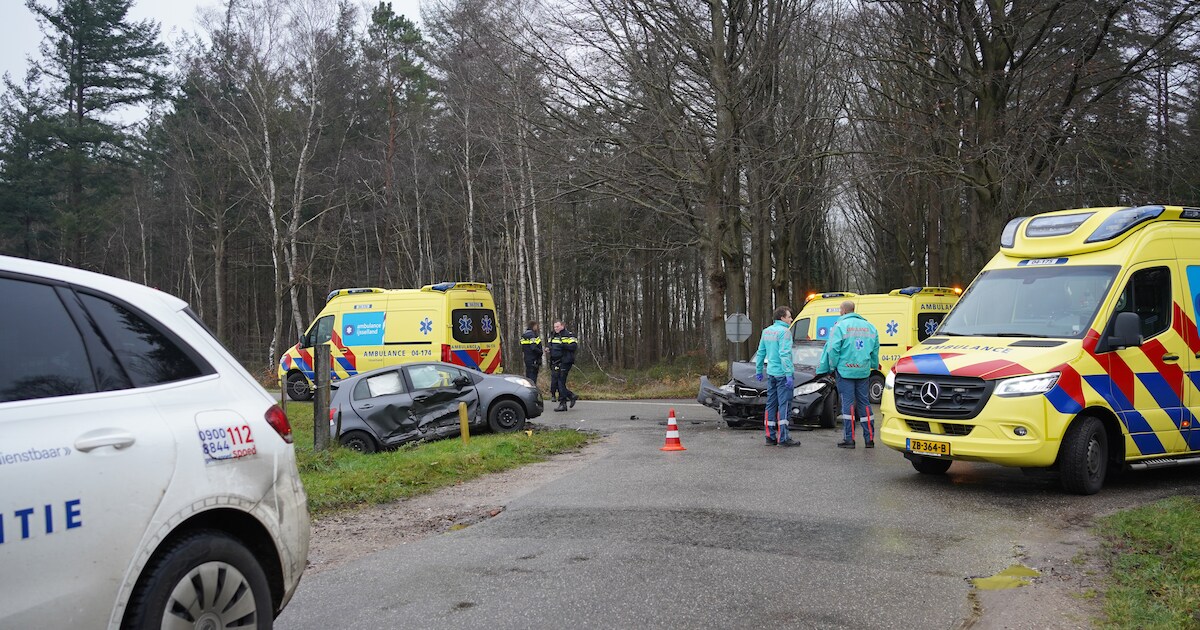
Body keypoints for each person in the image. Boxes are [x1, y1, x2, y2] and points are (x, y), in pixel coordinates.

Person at [817, 300, 880, 449]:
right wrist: (872, 364)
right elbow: (875, 349)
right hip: (863, 371)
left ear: (844, 311)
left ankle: (849, 439)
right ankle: (869, 439)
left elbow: (832, 349)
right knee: (865, 403)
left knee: (848, 404)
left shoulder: (840, 326)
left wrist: (832, 366)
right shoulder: (870, 326)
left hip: (845, 371)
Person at [754, 306, 799, 447]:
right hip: (782, 374)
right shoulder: (785, 332)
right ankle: (784, 437)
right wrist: (788, 374)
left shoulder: (766, 332)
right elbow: (784, 354)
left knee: (771, 404)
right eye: (789, 316)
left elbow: (761, 352)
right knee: (784, 405)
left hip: (771, 373)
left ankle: (770, 436)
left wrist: (759, 370)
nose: (791, 319)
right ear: (782, 318)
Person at [548, 320, 579, 412]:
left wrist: (563, 345)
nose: (556, 328)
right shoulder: (553, 335)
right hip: (555, 361)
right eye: (554, 327)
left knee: (561, 381)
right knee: (557, 382)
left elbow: (573, 346)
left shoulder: (569, 335)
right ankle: (571, 395)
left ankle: (563, 403)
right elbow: (550, 345)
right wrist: (548, 349)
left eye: (557, 327)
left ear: (562, 326)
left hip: (565, 361)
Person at [520, 321, 543, 390]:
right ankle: (532, 391)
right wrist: (540, 352)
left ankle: (527, 390)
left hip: (527, 358)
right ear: (533, 326)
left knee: (528, 376)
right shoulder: (532, 335)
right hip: (533, 358)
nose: (537, 327)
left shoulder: (523, 335)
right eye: (536, 326)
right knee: (533, 377)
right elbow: (533, 347)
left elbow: (523, 348)